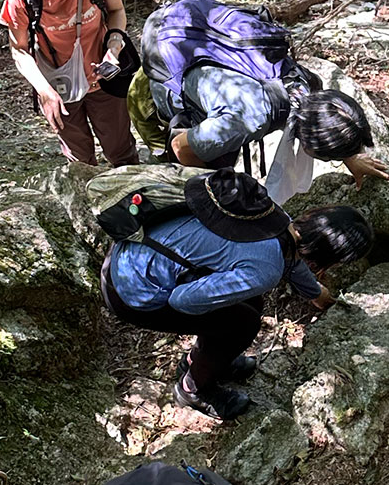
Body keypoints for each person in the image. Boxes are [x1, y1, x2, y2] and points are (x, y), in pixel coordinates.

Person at [104, 167, 373, 420]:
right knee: (243, 324)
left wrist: (316, 294)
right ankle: (193, 388)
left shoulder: (274, 217)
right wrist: (215, 311)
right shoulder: (265, 269)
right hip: (132, 292)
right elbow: (181, 300)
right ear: (326, 256)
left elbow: (291, 259)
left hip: (126, 256)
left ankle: (200, 360)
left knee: (247, 303)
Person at [138, 0, 389, 191]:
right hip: (162, 59)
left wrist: (350, 157)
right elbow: (181, 147)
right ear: (309, 146)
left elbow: (329, 121)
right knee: (213, 170)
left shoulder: (307, 88)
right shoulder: (247, 119)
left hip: (196, 33)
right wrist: (208, 188)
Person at [1, 0, 138, 167]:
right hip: (59, 86)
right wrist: (44, 91)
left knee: (122, 151)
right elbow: (19, 49)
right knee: (80, 160)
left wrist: (114, 47)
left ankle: (133, 199)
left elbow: (117, 11)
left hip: (103, 79)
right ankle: (88, 201)